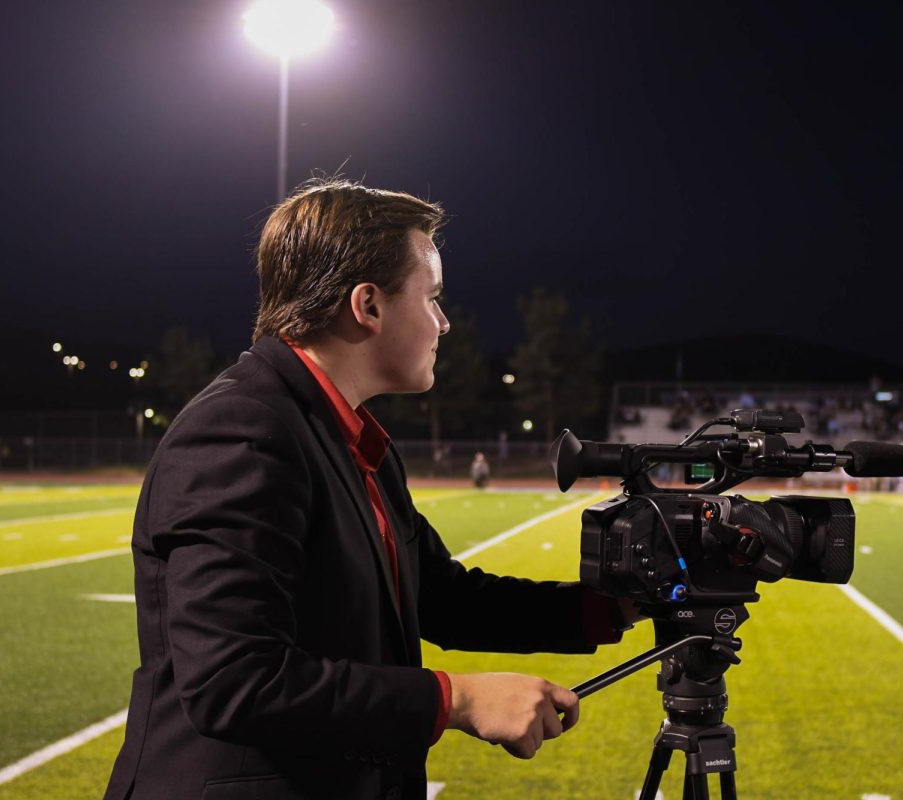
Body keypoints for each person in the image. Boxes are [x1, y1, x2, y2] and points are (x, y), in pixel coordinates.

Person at [103, 180, 639, 800]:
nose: (443, 323)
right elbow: (233, 679)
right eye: (433, 298)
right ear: (369, 305)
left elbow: (441, 598)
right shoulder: (241, 429)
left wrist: (612, 605)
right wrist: (456, 698)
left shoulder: (350, 437)